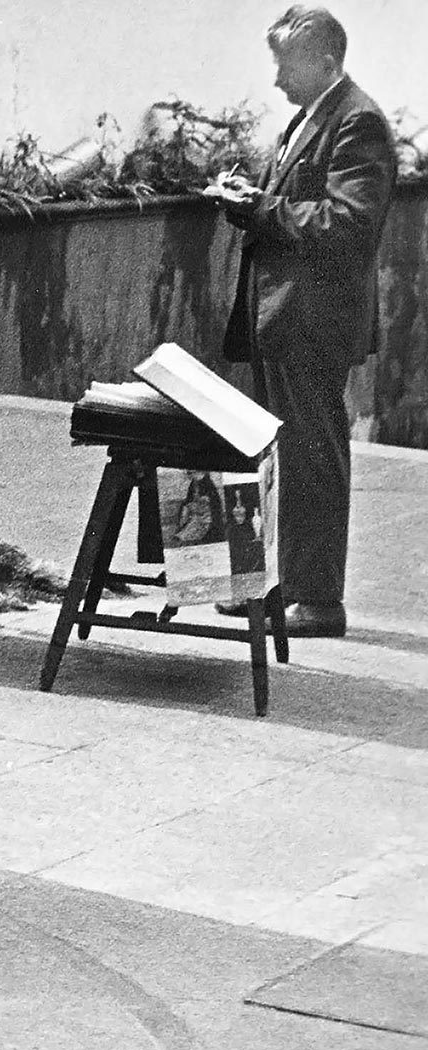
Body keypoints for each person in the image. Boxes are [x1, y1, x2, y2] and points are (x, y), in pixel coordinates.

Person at [209, 5, 396, 637]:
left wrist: (259, 208)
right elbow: (308, 205)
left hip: (313, 324)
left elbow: (351, 224)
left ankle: (318, 600)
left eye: (284, 64)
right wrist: (253, 197)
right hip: (287, 320)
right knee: (283, 455)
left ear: (325, 61)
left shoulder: (358, 121)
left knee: (313, 456)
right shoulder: (313, 118)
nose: (276, 79)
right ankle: (277, 587)